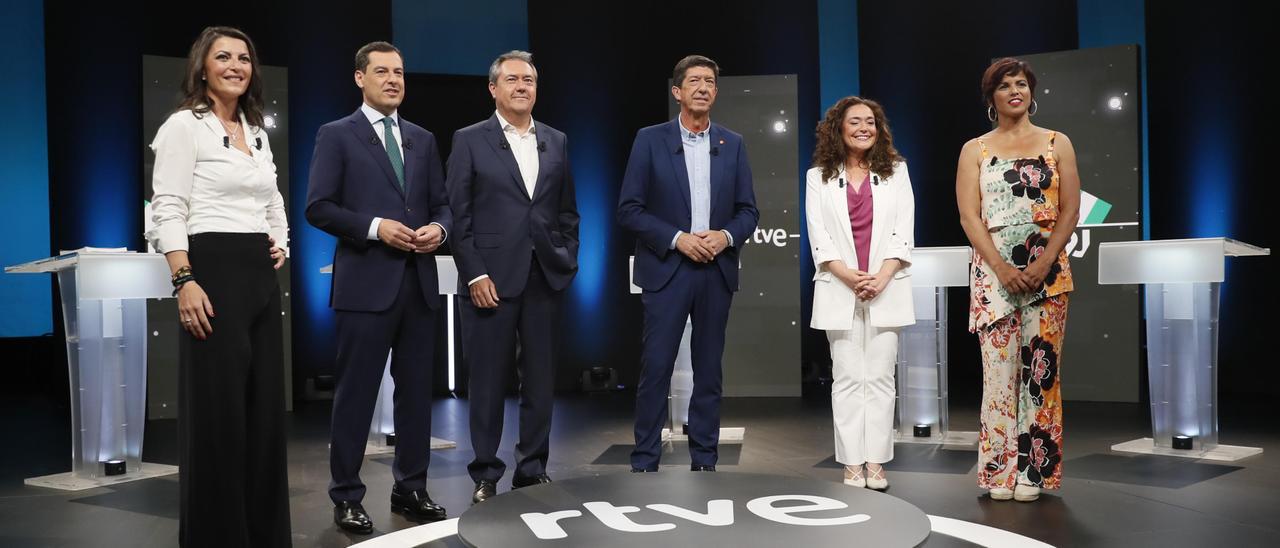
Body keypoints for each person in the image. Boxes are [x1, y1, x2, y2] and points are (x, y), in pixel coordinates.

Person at [147, 25, 291, 547]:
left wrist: (281, 241)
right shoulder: (184, 126)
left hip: (257, 274)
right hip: (209, 271)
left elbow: (273, 199)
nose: (236, 65)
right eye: (223, 57)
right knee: (219, 418)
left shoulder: (256, 131)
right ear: (202, 67)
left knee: (262, 417)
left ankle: (263, 536)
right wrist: (184, 279)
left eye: (245, 58)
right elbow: (168, 208)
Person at [306, 41, 452, 533]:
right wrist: (374, 227)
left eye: (400, 72)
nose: (393, 80)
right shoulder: (337, 135)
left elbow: (443, 205)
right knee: (357, 395)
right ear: (359, 78)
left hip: (418, 285)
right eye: (383, 72)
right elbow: (319, 207)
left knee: (416, 396)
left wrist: (441, 230)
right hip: (365, 285)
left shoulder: (423, 138)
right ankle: (346, 494)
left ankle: (411, 486)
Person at [445, 50, 579, 503]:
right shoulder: (469, 139)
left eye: (529, 80)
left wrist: (567, 257)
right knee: (485, 382)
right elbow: (458, 217)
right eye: (513, 80)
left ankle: (532, 468)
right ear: (493, 88)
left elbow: (567, 211)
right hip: (490, 281)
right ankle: (485, 473)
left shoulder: (557, 140)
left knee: (540, 381)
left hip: (544, 275)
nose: (522, 87)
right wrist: (475, 273)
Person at [617, 55, 759, 473]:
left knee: (709, 372)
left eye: (710, 82)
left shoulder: (732, 143)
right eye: (694, 81)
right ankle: (644, 459)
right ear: (677, 91)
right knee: (656, 367)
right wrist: (678, 239)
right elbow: (629, 209)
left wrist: (724, 236)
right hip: (667, 270)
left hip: (715, 272)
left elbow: (748, 211)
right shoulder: (650, 139)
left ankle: (705, 459)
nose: (703, 87)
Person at [955, 57, 1080, 503]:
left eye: (1021, 83)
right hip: (994, 277)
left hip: (1048, 274)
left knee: (1040, 375)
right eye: (1005, 85)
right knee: (999, 377)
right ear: (991, 97)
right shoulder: (975, 149)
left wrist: (1045, 261)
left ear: (1031, 91)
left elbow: (1069, 210)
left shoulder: (1056, 142)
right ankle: (998, 472)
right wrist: (1002, 268)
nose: (1015, 90)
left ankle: (1034, 471)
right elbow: (970, 217)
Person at [805, 96, 915, 491]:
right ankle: (852, 463)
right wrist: (848, 276)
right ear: (839, 128)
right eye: (855, 122)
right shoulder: (818, 176)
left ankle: (876, 462)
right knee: (848, 378)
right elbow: (819, 236)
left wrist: (882, 276)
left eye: (870, 121)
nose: (864, 127)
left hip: (887, 287)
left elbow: (905, 230)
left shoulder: (896, 172)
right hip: (839, 287)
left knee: (882, 378)